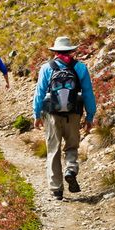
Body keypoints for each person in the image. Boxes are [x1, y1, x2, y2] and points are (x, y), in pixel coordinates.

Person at [33, 36, 96, 200]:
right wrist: (90, 116)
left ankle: (56, 189)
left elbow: (39, 93)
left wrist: (36, 114)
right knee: (72, 146)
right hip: (74, 113)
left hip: (52, 114)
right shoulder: (80, 68)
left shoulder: (46, 68)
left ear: (55, 51)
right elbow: (88, 93)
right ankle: (71, 168)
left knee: (53, 149)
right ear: (72, 51)